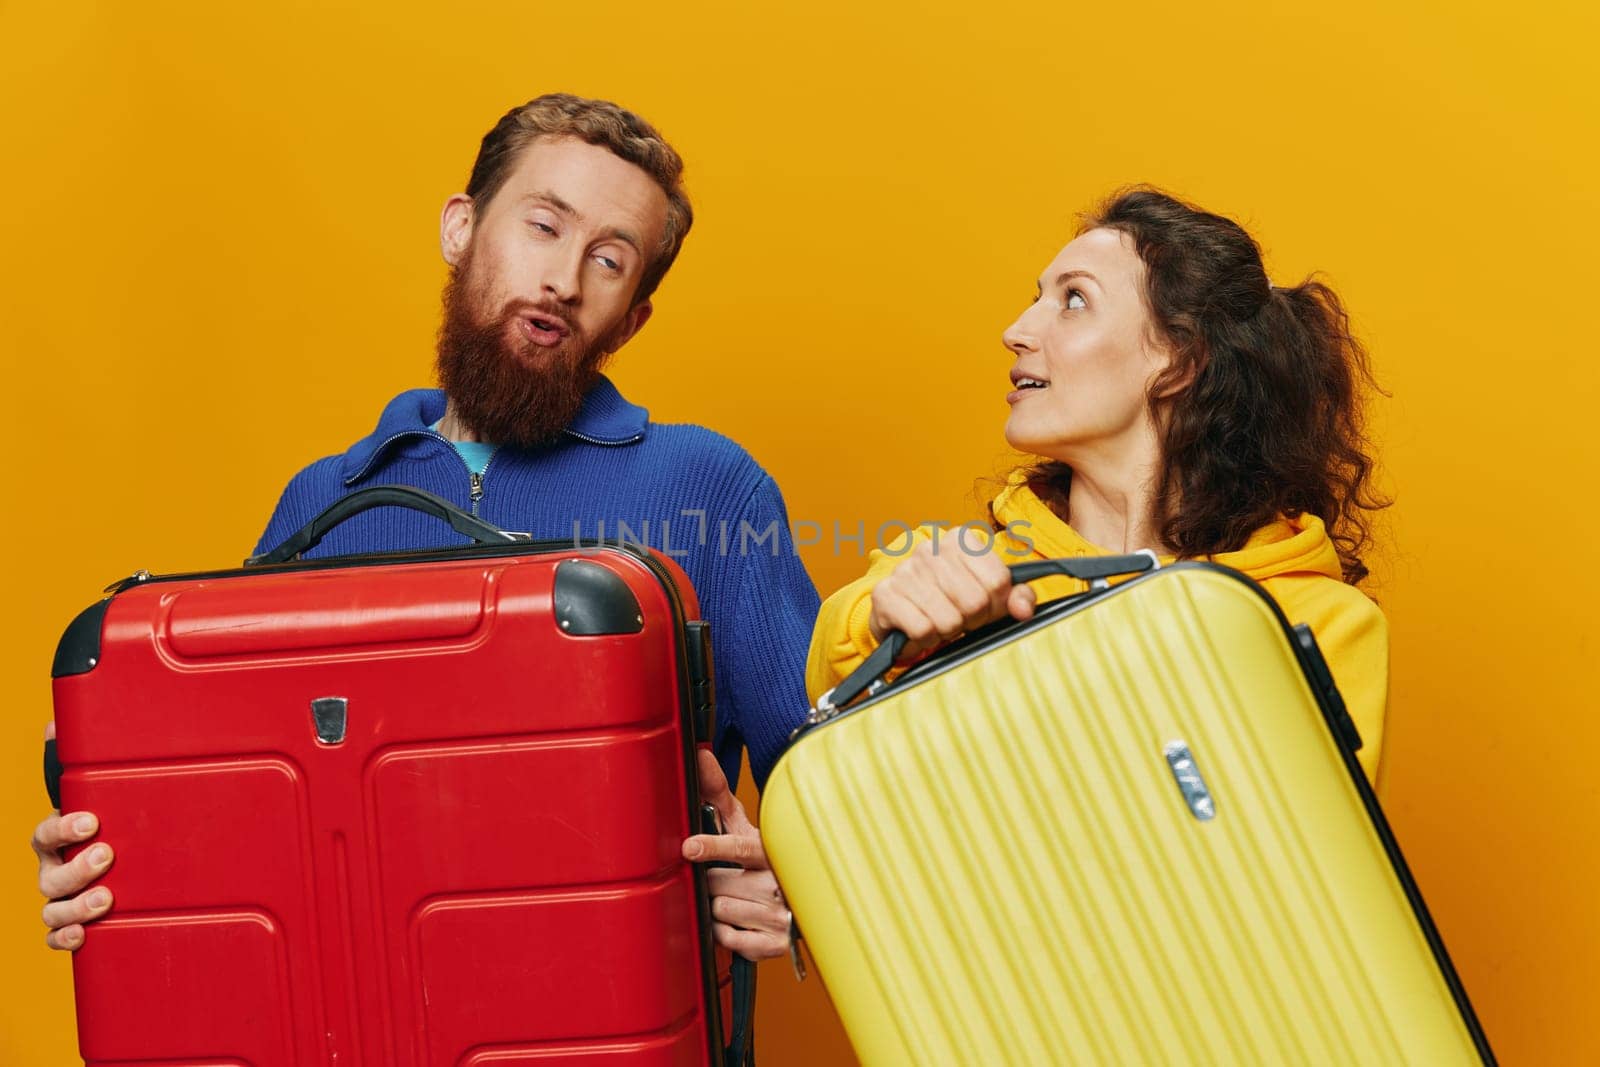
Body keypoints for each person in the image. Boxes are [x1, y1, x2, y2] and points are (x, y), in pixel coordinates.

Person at [32, 93, 809, 962]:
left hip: (612, 1019)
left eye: (610, 259)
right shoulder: (323, 501)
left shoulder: (709, 488)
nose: (561, 279)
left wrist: (794, 895)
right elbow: (234, 801)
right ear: (461, 229)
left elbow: (833, 781)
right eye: (543, 226)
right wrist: (100, 862)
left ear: (631, 319)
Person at [806, 187, 1389, 783]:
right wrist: (888, 622)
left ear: (1180, 361)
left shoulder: (1321, 622)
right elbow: (835, 648)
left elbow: (1301, 856)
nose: (1016, 330)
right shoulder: (968, 572)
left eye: (1075, 300)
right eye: (1037, 298)